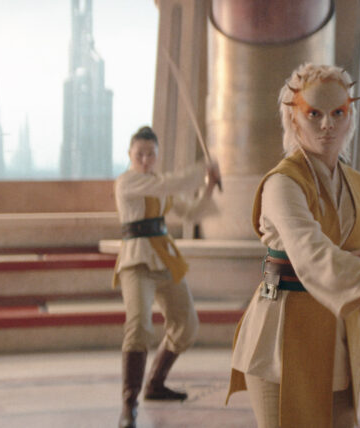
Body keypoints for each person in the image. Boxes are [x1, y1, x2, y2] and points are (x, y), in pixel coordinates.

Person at [226, 63, 360, 428]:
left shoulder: (356, 183)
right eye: (314, 114)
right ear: (293, 117)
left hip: (338, 337)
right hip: (280, 338)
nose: (327, 125)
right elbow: (311, 253)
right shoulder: (282, 183)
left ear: (350, 116)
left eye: (338, 113)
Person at [113, 125, 220, 428]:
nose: (145, 159)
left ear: (157, 155)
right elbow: (167, 185)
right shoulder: (127, 182)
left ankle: (155, 384)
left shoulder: (160, 185)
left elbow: (190, 213)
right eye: (140, 154)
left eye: (151, 154)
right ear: (130, 154)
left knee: (187, 325)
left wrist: (209, 185)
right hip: (136, 262)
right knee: (138, 326)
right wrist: (202, 168)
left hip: (164, 258)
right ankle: (129, 405)